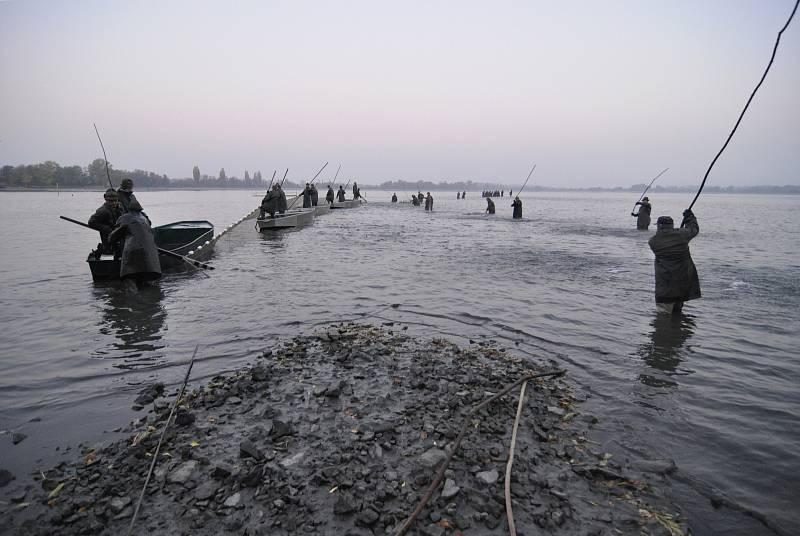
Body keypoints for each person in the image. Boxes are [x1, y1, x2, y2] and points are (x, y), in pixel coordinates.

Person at [648, 210, 701, 315]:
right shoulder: (682, 235)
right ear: (671, 225)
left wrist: (678, 231)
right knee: (678, 315)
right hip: (682, 285)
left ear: (659, 226)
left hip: (664, 287)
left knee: (663, 318)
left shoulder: (653, 241)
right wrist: (690, 217)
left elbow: (670, 240)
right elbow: (693, 229)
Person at [109, 200, 161, 292]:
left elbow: (113, 237)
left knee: (130, 282)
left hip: (132, 254)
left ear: (128, 209)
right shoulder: (145, 218)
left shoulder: (124, 218)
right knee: (148, 286)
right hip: (151, 259)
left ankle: (133, 301)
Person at [88, 188, 123, 256]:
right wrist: (106, 228)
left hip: (119, 238)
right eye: (110, 201)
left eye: (115, 201)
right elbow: (91, 222)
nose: (113, 203)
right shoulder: (102, 211)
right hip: (108, 240)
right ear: (105, 199)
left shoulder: (119, 208)